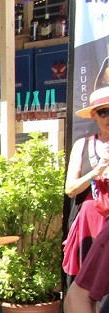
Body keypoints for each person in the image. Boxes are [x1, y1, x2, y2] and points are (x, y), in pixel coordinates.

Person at [63, 87, 109, 276]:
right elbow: (70, 189)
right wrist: (95, 173)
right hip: (89, 225)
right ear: (94, 116)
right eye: (103, 112)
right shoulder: (82, 145)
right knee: (86, 285)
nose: (108, 117)